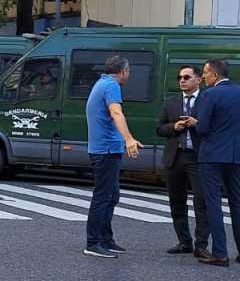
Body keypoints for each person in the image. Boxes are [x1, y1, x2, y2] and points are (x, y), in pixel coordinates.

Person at [83, 55, 143, 258]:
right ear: (123, 71)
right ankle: (93, 243)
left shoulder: (102, 83)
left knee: (112, 196)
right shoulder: (112, 86)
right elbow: (116, 113)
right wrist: (129, 139)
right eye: (129, 71)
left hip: (107, 149)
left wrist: (126, 140)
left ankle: (106, 239)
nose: (129, 74)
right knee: (103, 197)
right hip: (105, 151)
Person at [156, 65, 210, 258]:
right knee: (176, 201)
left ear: (198, 79)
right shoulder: (171, 102)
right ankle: (184, 241)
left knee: (201, 201)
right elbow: (159, 128)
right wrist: (174, 126)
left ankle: (201, 244)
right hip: (175, 156)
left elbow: (216, 127)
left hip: (198, 157)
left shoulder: (207, 100)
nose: (182, 80)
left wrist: (197, 124)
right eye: (180, 77)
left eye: (187, 77)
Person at [193, 58, 240, 267]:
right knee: (237, 204)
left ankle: (220, 253)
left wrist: (195, 122)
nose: (203, 76)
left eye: (205, 73)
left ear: (214, 75)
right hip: (236, 155)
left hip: (212, 155)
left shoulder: (209, 94)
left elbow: (203, 129)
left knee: (213, 204)